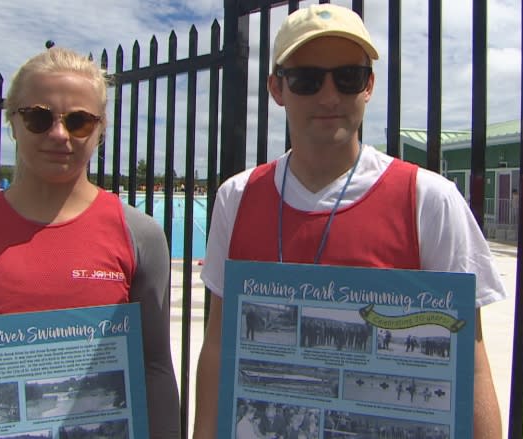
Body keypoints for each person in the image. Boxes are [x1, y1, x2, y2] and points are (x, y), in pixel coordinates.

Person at [192, 4, 506, 439]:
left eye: (348, 77)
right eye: (306, 79)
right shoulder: (237, 198)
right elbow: (218, 344)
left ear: (369, 86)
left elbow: (468, 360)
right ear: (276, 88)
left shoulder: (429, 200)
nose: (328, 96)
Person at [0, 47, 180, 438]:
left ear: (100, 131)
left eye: (79, 122)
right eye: (38, 118)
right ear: (12, 121)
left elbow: (155, 367)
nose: (58, 134)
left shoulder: (139, 234)